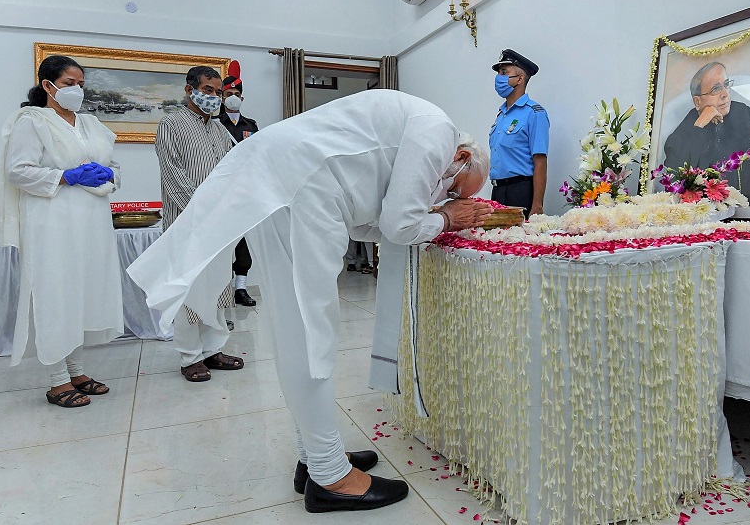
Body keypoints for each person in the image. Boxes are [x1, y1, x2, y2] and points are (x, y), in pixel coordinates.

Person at [128, 89, 493, 513]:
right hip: (299, 190)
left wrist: (436, 218)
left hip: (295, 187)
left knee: (300, 328)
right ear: (462, 156)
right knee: (308, 330)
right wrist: (448, 218)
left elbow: (368, 225)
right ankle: (330, 477)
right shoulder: (439, 131)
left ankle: (316, 456)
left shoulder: (418, 129)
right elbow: (397, 226)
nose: (446, 196)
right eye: (454, 190)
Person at [0, 55, 123, 408]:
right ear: (47, 85)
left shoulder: (91, 124)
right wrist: (65, 176)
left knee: (80, 294)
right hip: (51, 222)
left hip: (92, 223)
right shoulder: (32, 121)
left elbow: (113, 165)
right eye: (69, 83)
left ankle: (77, 371)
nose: (77, 90)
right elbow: (17, 171)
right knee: (55, 294)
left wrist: (109, 174)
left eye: (81, 84)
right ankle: (56, 381)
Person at [155, 65, 244, 382]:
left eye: (218, 92)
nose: (215, 97)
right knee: (189, 291)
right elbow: (173, 174)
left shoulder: (221, 130)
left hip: (219, 226)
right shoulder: (171, 124)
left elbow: (232, 173)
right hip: (186, 224)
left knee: (218, 286)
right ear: (189, 89)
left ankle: (212, 350)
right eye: (208, 90)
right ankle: (190, 357)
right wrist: (202, 211)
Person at [663, 61, 750, 205]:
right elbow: (678, 179)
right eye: (715, 89)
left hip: (747, 210)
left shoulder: (742, 113)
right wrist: (700, 125)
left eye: (726, 84)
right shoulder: (680, 136)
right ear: (697, 102)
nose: (725, 94)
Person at [489, 49, 550, 217]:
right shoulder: (501, 115)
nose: (499, 78)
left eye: (504, 72)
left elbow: (540, 161)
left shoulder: (534, 113)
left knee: (517, 241)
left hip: (520, 191)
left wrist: (537, 205)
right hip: (497, 191)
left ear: (520, 78)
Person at [217, 60, 259, 306]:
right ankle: (220, 291)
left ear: (242, 98)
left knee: (243, 243)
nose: (233, 98)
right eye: (228, 94)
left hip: (243, 190)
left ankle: (240, 288)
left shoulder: (250, 126)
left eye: (236, 95)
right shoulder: (214, 124)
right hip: (220, 189)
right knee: (221, 243)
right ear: (222, 97)